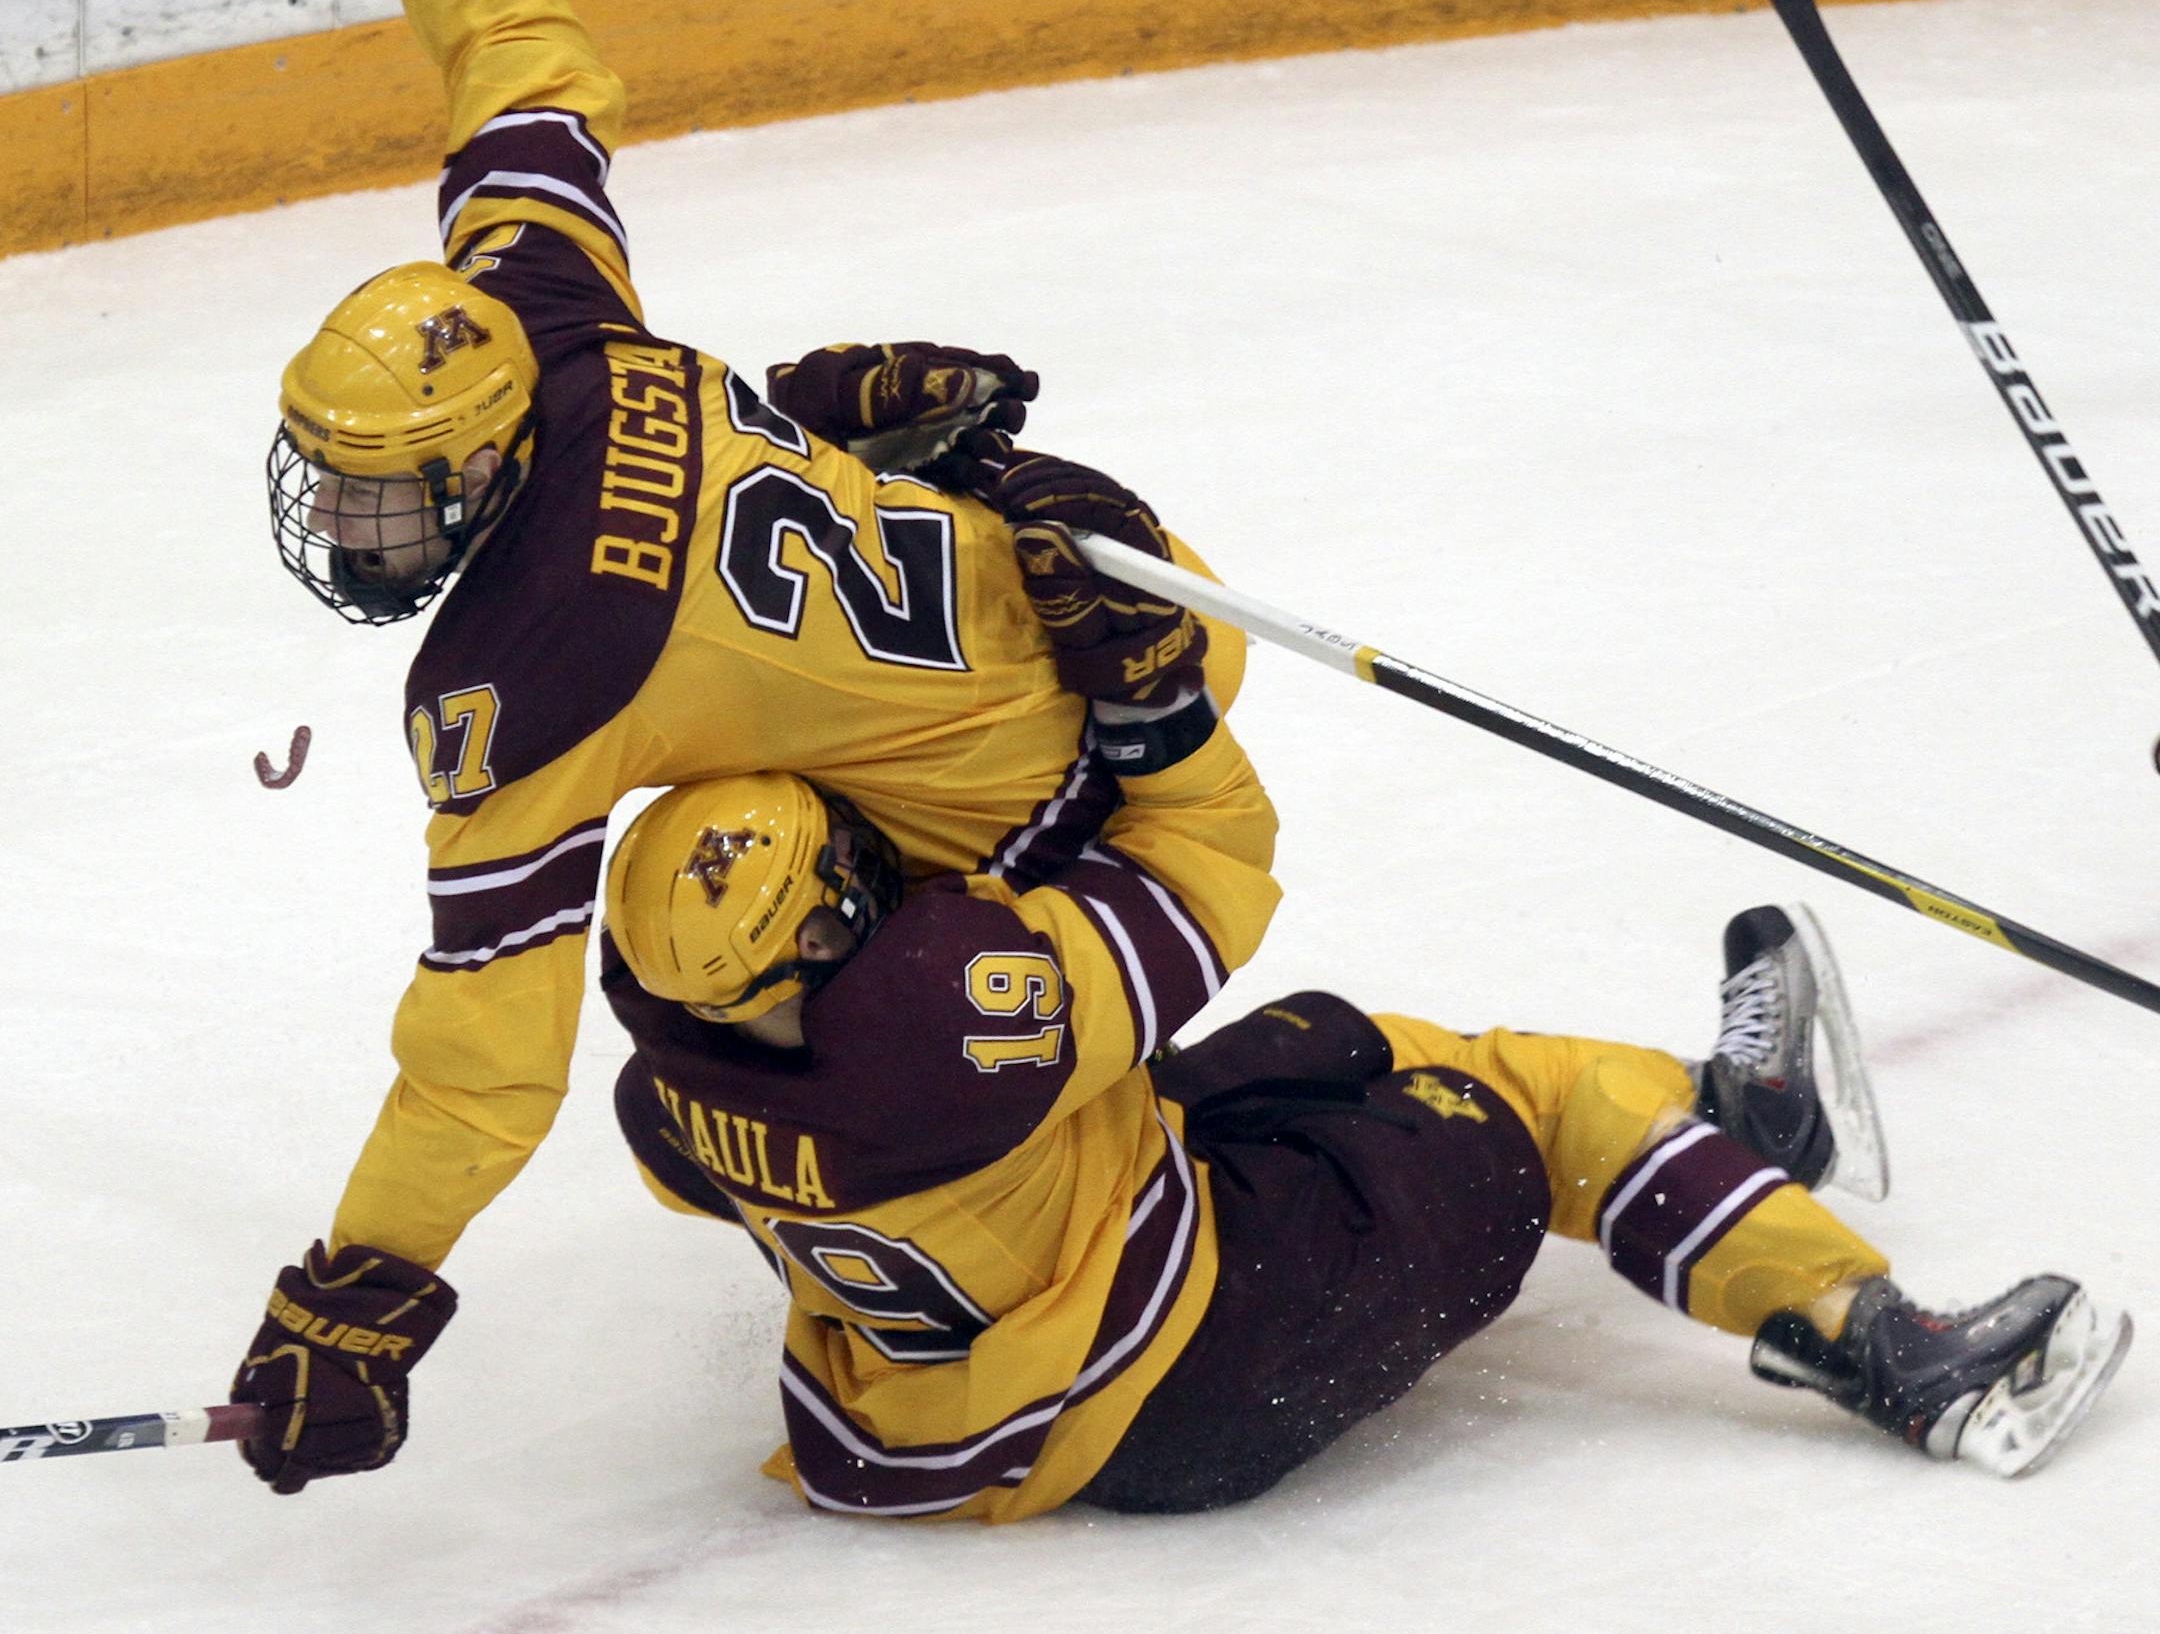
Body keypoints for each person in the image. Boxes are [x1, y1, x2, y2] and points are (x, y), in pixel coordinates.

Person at [239, 456, 2131, 1513]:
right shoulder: (965, 1023)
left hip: (927, 1401)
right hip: (1204, 1368)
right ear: (835, 931)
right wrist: (1143, 691)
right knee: (1532, 1094)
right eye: (856, 870)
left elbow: (933, 960)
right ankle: (1887, 1346)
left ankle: (1734, 1149)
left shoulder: (669, 1080)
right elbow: (1220, 864)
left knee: (1350, 1045)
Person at [221, 0, 1249, 1494]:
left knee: (757, 990)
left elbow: (484, 1058)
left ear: (482, 473)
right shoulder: (549, 316)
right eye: (335, 482)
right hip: (1103, 578)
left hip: (1057, 801)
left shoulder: (522, 679)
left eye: (383, 500)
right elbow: (516, 55)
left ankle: (1020, 1257)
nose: (350, 534)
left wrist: (367, 1282)